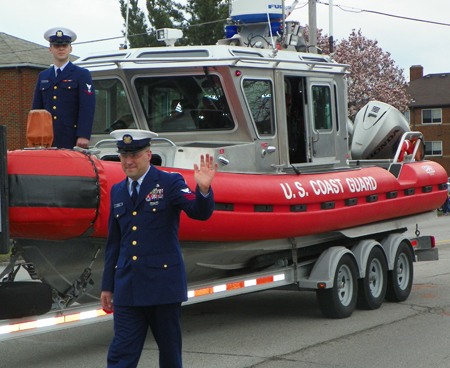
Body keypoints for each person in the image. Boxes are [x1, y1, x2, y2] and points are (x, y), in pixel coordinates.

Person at [101, 129, 217, 368]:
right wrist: (107, 286)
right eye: (123, 156)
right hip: (127, 287)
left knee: (169, 353)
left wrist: (203, 190)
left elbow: (199, 213)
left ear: (148, 155)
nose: (128, 161)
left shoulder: (169, 182)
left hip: (162, 286)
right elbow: (114, 242)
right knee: (121, 353)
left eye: (134, 154)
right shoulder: (117, 191)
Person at [32, 27, 95, 149]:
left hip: (71, 137)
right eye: (56, 46)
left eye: (65, 46)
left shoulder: (81, 74)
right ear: (50, 49)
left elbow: (87, 107)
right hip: (46, 138)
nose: (61, 48)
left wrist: (83, 135)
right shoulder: (43, 76)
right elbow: (37, 110)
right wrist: (35, 136)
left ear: (70, 49)